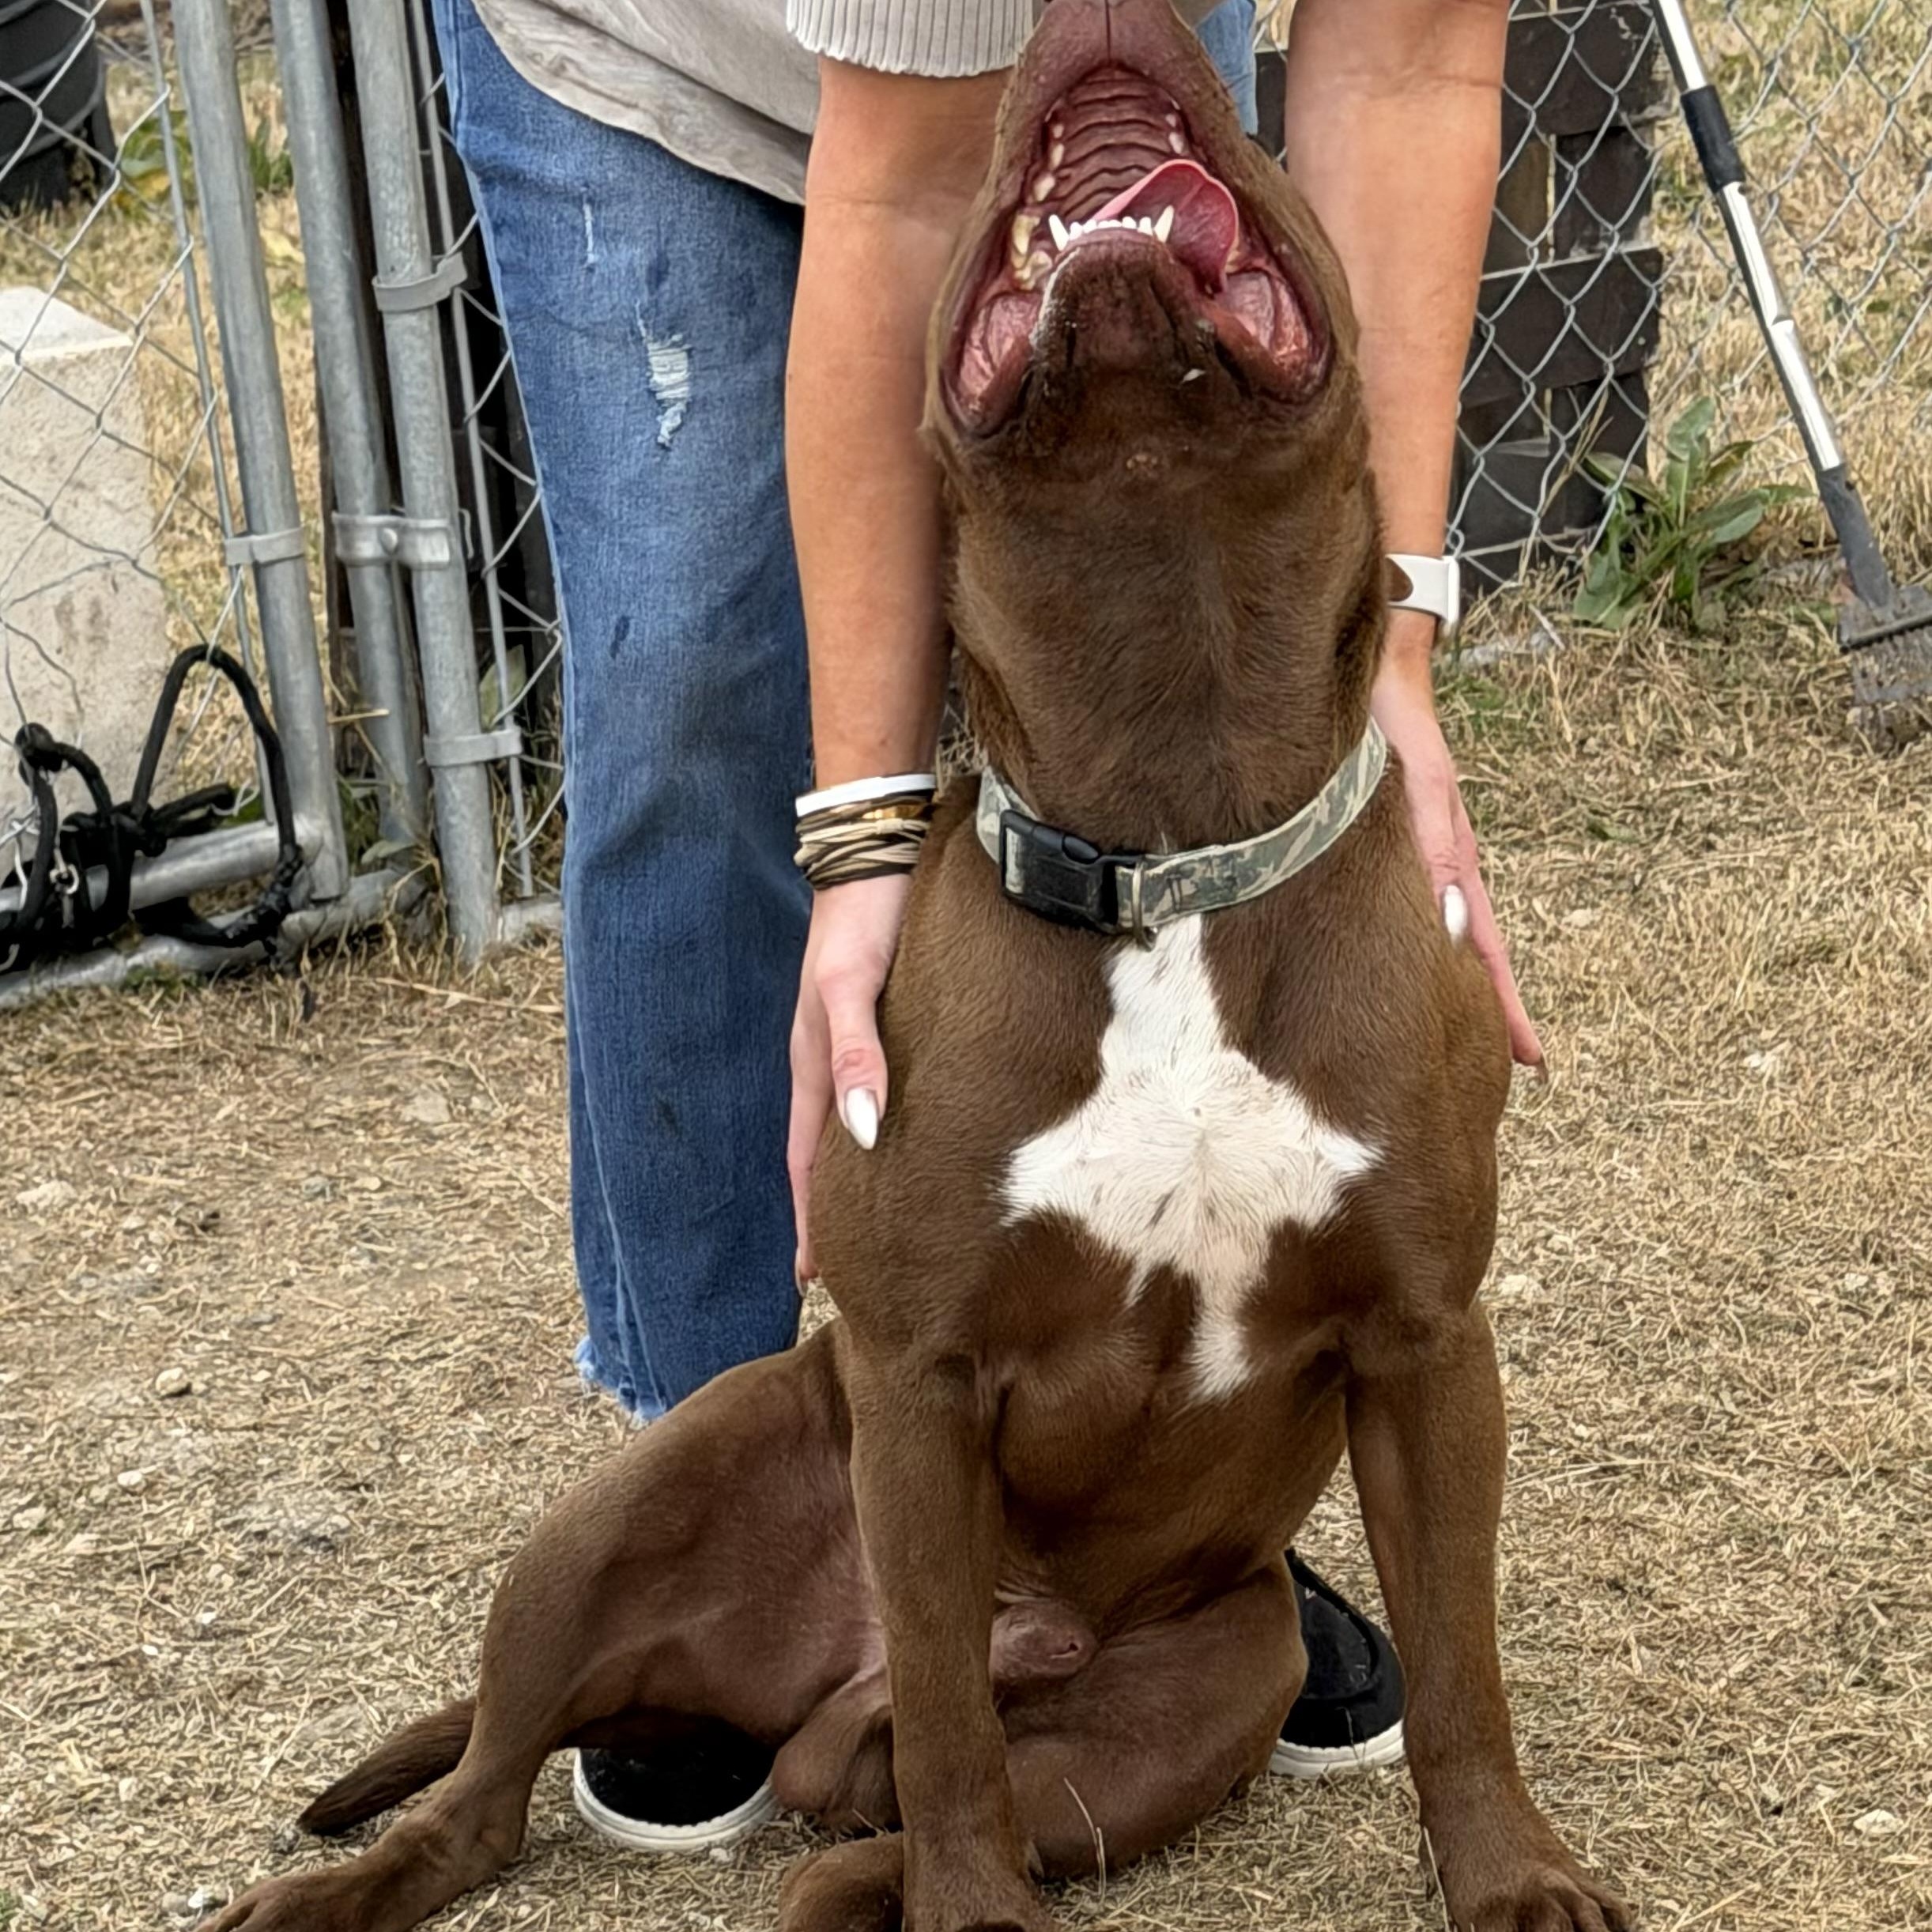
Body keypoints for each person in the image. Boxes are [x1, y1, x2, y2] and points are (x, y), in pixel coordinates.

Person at [426, 0, 1536, 1843]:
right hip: (662, 52)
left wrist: (1392, 636)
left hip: (1039, 92)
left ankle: (1141, 1509)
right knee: (695, 664)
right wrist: (864, 840)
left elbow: (1410, 60)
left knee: (1153, 399)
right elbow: (901, 189)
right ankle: (770, 1517)